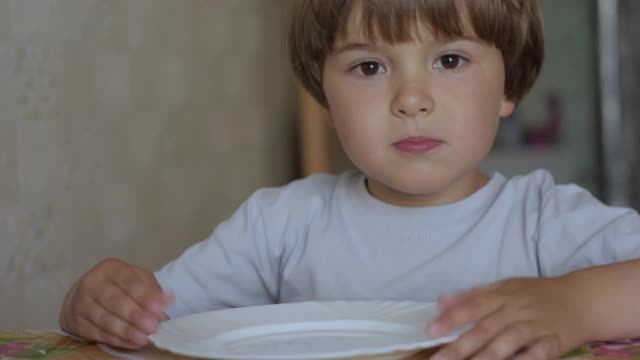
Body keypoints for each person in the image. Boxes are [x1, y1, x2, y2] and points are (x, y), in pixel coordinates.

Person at [59, 1, 640, 359]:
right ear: (327, 102)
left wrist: (574, 305)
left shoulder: (542, 220)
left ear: (509, 86)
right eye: (369, 67)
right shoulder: (281, 225)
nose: (412, 100)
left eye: (450, 61)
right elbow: (155, 324)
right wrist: (97, 305)